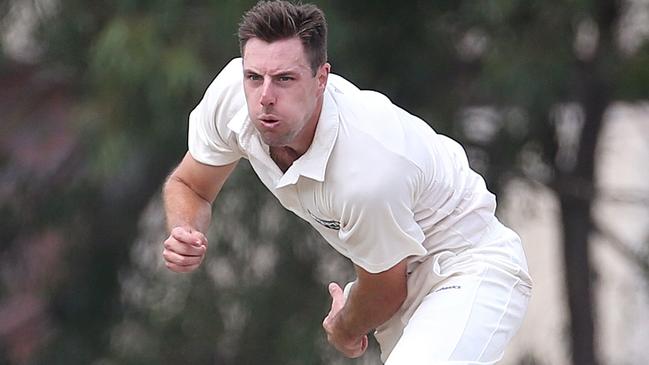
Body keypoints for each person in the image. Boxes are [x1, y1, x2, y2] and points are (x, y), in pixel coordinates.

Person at [162, 1, 532, 363]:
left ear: (321, 78)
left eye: (285, 79)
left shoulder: (368, 165)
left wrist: (345, 327)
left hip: (468, 267)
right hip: (394, 272)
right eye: (254, 77)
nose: (265, 97)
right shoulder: (232, 98)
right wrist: (185, 230)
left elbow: (385, 288)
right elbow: (191, 185)